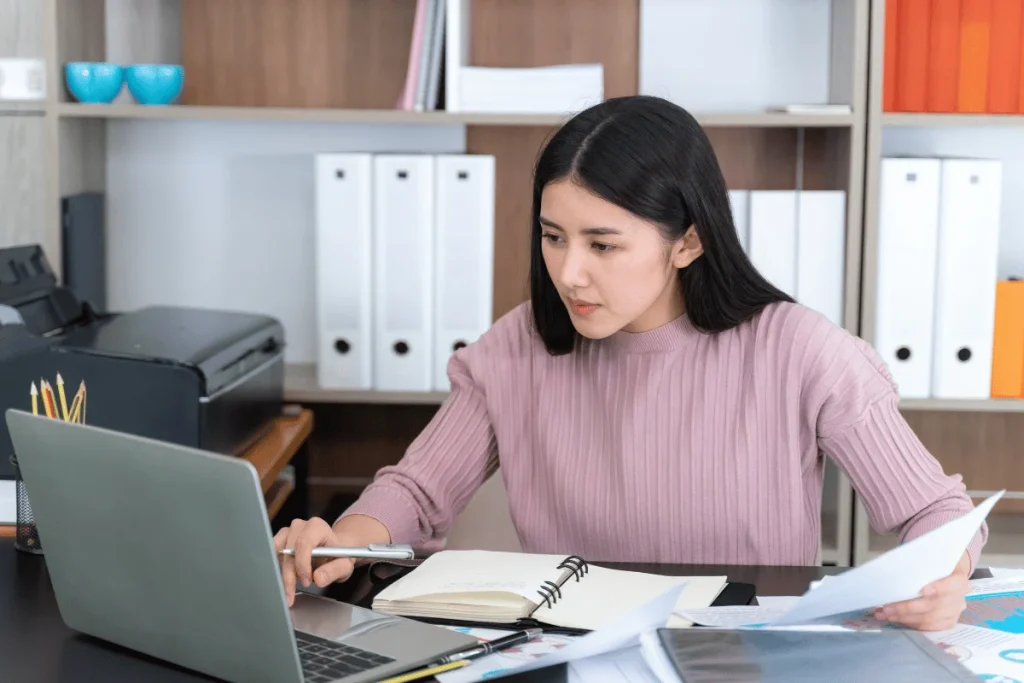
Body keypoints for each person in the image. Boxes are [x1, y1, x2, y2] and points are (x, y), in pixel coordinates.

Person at [277, 95, 985, 631]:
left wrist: (942, 576)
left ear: (688, 242)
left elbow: (936, 510)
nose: (569, 272)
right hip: (565, 654)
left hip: (745, 660)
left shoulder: (799, 351)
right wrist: (345, 540)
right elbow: (419, 490)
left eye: (603, 244)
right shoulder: (519, 347)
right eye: (553, 237)